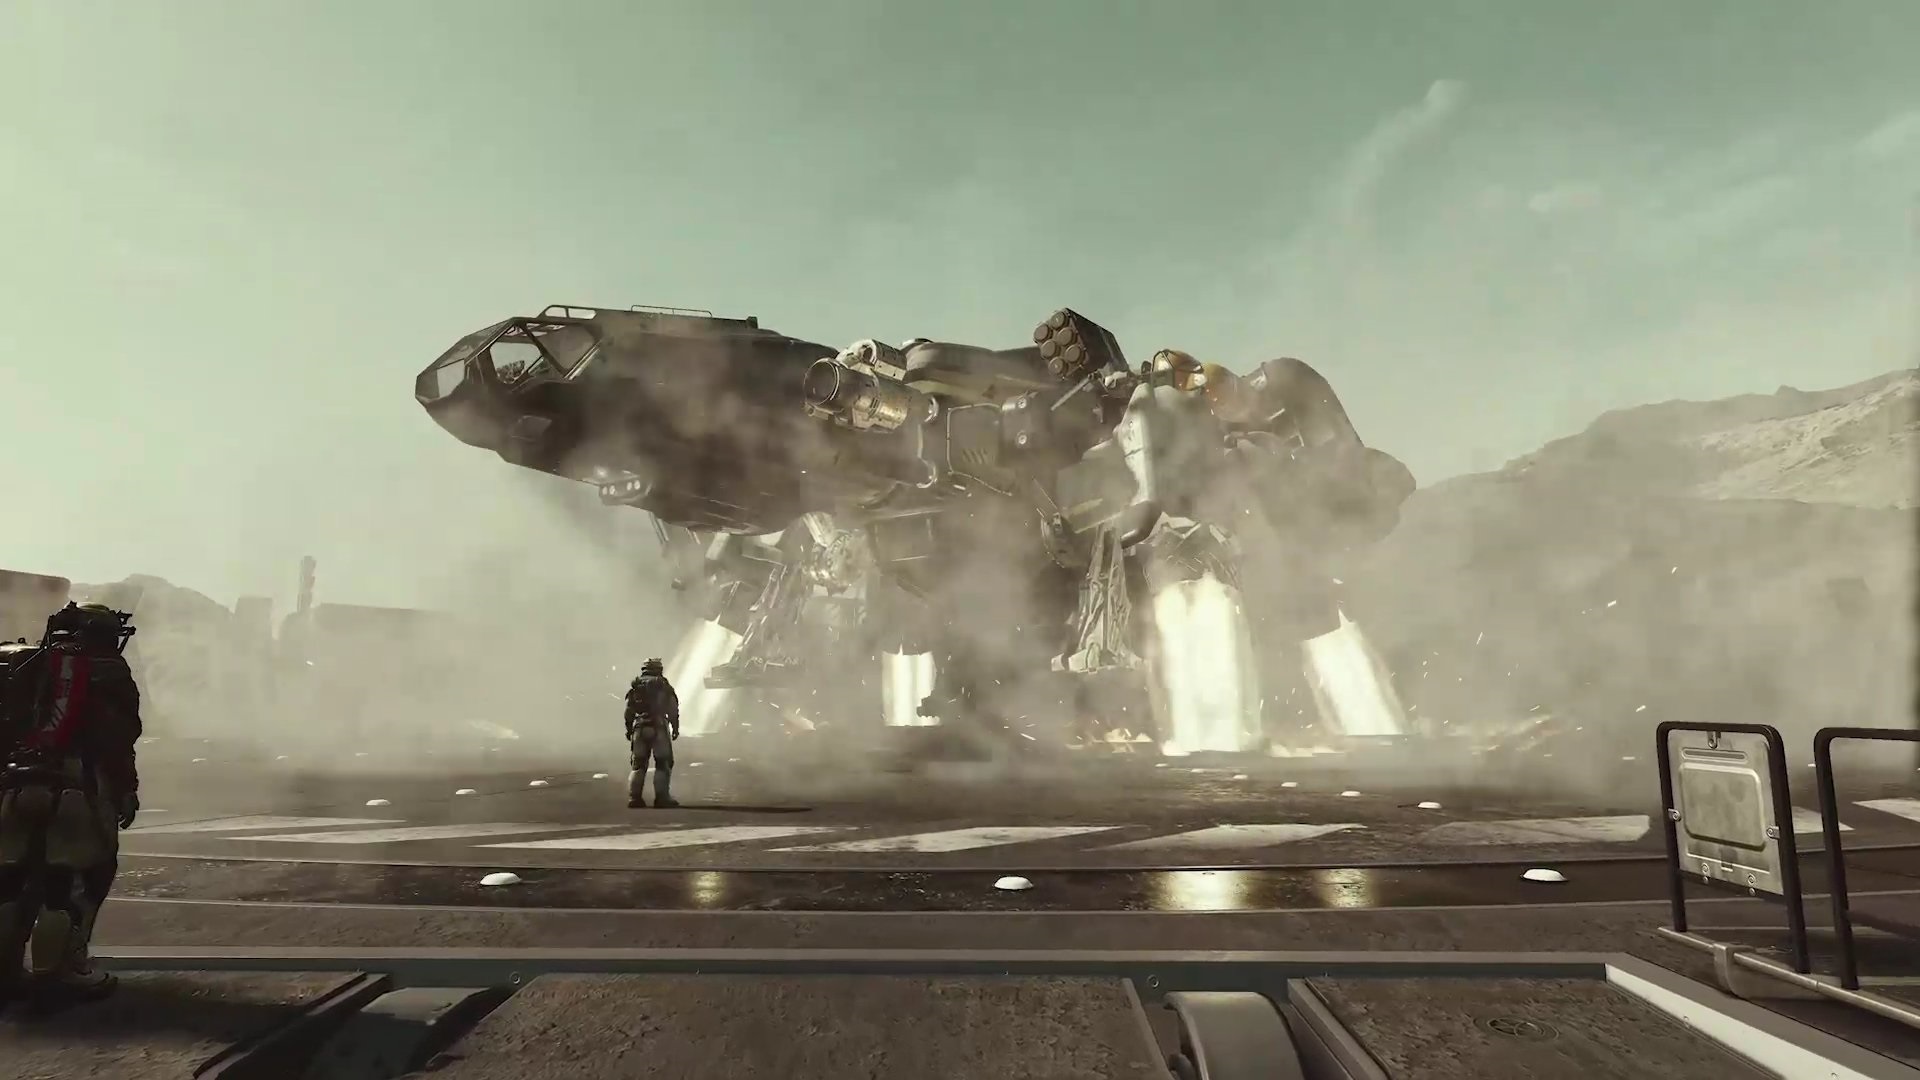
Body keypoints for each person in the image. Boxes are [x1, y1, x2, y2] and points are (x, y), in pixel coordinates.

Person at [0, 603, 142, 1008]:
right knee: (70, 882)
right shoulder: (107, 672)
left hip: (15, 785)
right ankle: (58, 970)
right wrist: (126, 789)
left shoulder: (24, 666)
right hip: (76, 786)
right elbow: (117, 740)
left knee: (9, 882)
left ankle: (5, 970)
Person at [624, 657, 679, 809]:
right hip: (659, 726)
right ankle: (662, 798)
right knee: (663, 763)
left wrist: (629, 728)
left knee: (638, 765)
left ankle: (634, 798)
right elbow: (673, 708)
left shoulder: (636, 686)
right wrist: (675, 727)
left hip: (639, 727)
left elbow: (628, 711)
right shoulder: (663, 686)